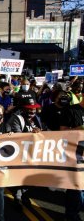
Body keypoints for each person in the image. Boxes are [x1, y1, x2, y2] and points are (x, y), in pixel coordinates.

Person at [60, 92, 84, 221]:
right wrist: (78, 129)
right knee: (75, 189)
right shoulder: (71, 110)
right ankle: (71, 216)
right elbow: (62, 132)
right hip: (76, 157)